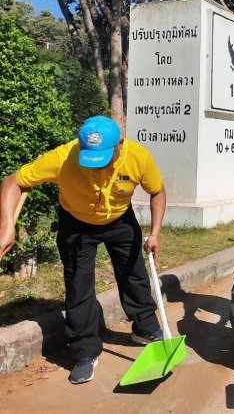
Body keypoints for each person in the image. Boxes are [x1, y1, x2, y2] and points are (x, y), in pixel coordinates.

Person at [0, 116, 167, 385]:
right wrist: (7, 225)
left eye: (103, 157)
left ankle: (145, 328)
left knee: (133, 275)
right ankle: (85, 352)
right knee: (79, 287)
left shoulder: (138, 157)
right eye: (89, 156)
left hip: (120, 221)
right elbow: (13, 182)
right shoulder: (64, 157)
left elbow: (157, 191)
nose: (95, 165)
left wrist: (155, 232)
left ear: (120, 146)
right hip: (76, 223)